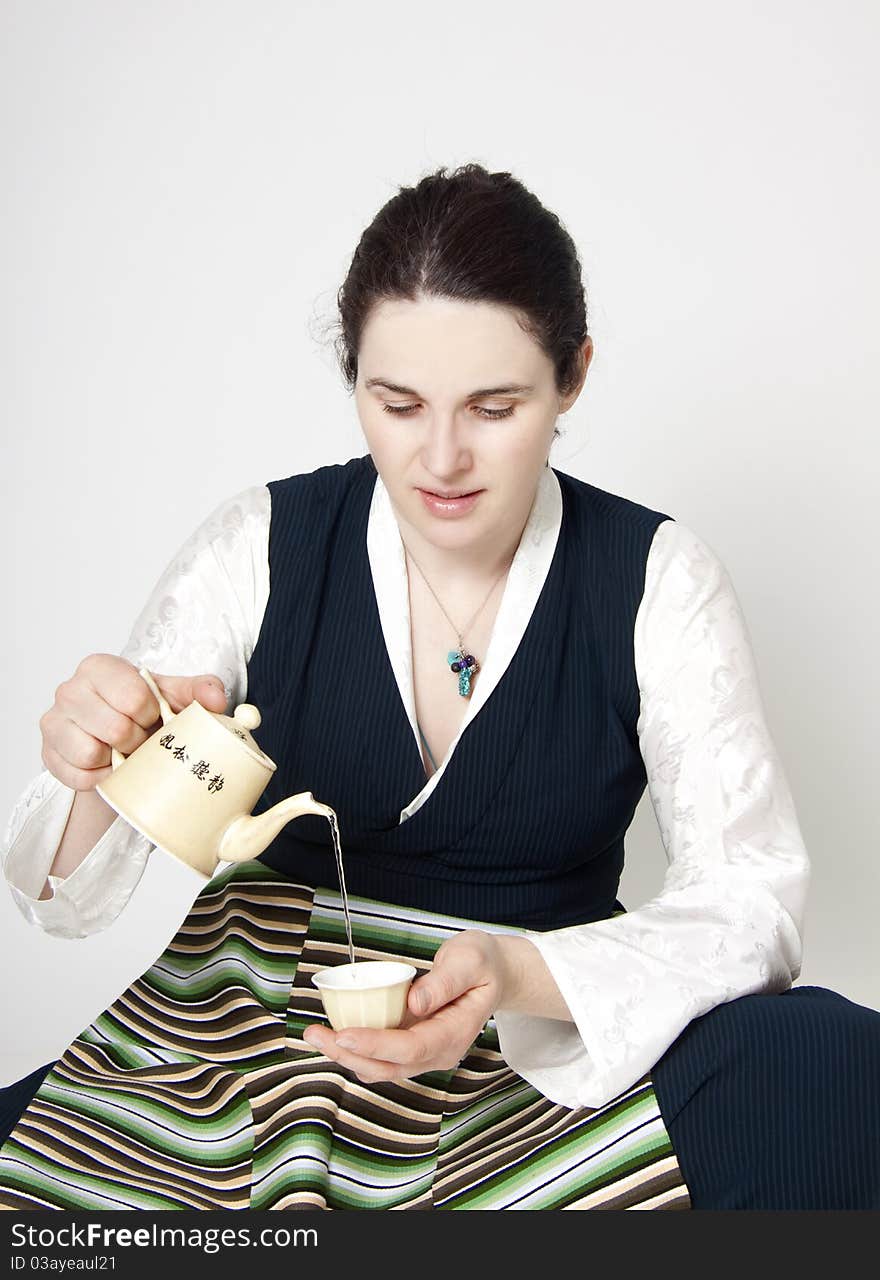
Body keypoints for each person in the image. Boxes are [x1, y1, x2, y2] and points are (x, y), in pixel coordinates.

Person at [1, 163, 878, 1212]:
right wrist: (98, 761)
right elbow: (64, 899)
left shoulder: (656, 575)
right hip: (249, 1024)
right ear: (355, 381)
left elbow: (748, 899)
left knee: (832, 1060)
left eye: (495, 405)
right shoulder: (260, 545)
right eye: (398, 402)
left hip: (529, 1044)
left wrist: (512, 976)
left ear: (574, 377)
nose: (443, 457)